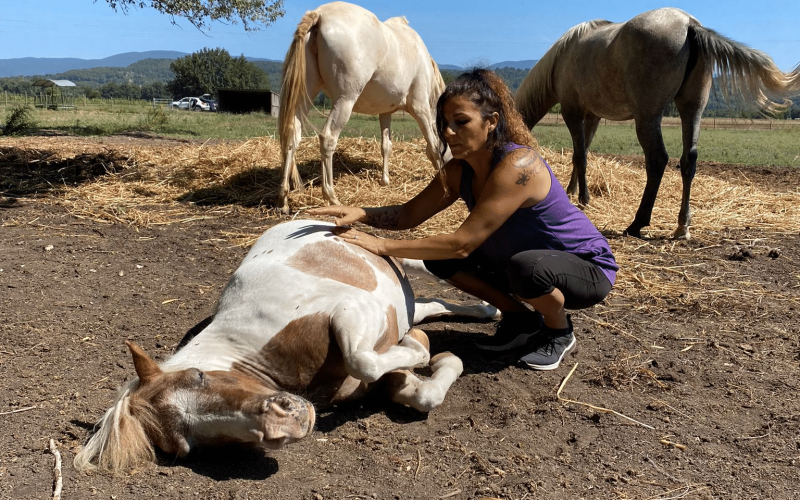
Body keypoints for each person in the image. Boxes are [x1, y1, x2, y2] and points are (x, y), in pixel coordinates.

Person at [308, 68, 617, 371]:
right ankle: (520, 319)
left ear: (491, 122)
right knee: (440, 260)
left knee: (525, 268)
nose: (447, 132)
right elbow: (408, 214)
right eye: (444, 123)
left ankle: (559, 331)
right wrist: (361, 213)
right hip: (517, 263)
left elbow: (462, 244)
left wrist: (382, 246)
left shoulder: (519, 166)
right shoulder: (460, 170)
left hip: (586, 268)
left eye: (460, 122)